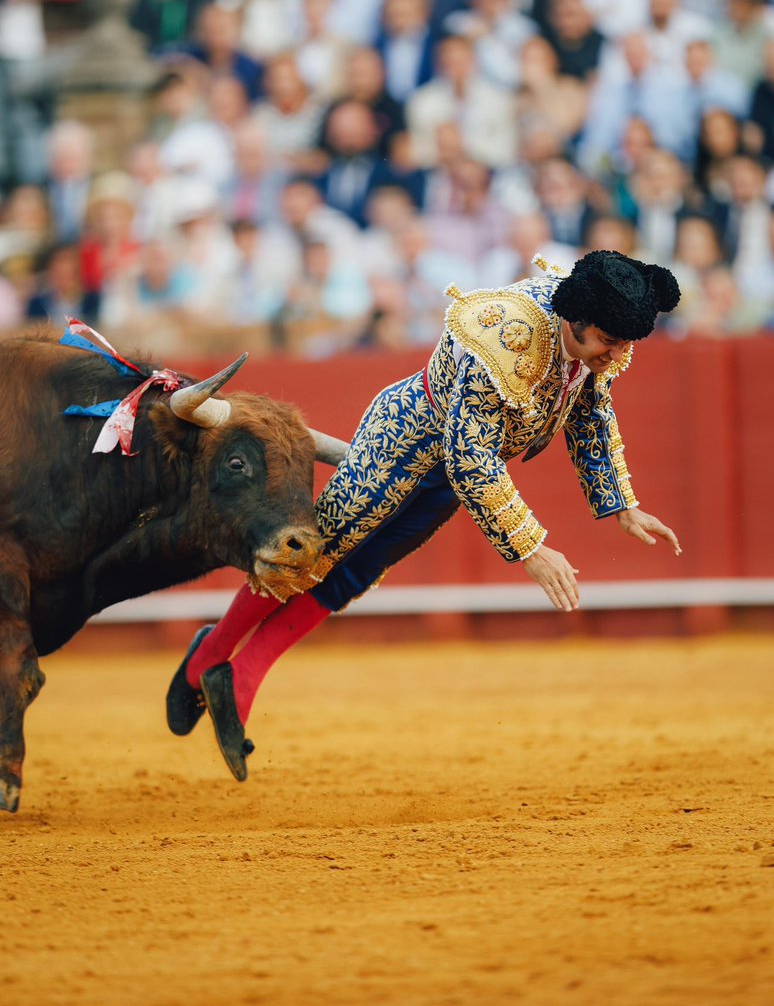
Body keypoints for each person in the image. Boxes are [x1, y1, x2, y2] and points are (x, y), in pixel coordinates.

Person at [167, 249, 682, 781]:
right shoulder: (506, 337)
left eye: (624, 344)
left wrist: (622, 504)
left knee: (356, 574)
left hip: (451, 474)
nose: (616, 354)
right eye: (609, 341)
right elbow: (470, 458)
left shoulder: (600, 339)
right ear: (577, 321)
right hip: (406, 440)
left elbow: (590, 409)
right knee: (316, 551)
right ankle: (211, 656)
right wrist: (531, 548)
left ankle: (246, 672)